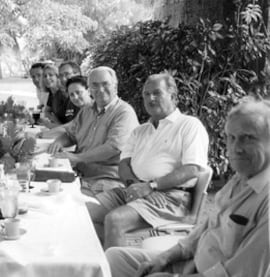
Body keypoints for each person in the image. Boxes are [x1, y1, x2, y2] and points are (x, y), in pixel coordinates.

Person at [105, 98, 270, 277]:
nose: (236, 148)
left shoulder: (265, 199)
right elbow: (202, 233)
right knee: (115, 258)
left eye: (249, 138)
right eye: (232, 138)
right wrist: (165, 258)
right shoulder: (239, 180)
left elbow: (242, 273)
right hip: (191, 264)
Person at [87, 73, 209, 249]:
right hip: (133, 188)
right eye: (146, 94)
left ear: (173, 96)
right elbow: (124, 165)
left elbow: (192, 169)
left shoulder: (189, 125)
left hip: (169, 197)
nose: (150, 98)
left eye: (157, 93)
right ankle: (104, 263)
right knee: (85, 213)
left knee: (115, 219)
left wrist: (151, 186)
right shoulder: (140, 131)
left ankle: (117, 270)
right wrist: (135, 186)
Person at [48, 66, 139, 195]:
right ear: (90, 89)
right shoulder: (86, 110)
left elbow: (113, 148)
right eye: (95, 85)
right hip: (80, 175)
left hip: (106, 181)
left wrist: (77, 158)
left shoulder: (124, 112)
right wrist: (59, 142)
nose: (100, 90)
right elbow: (70, 135)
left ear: (115, 86)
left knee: (68, 206)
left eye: (105, 84)